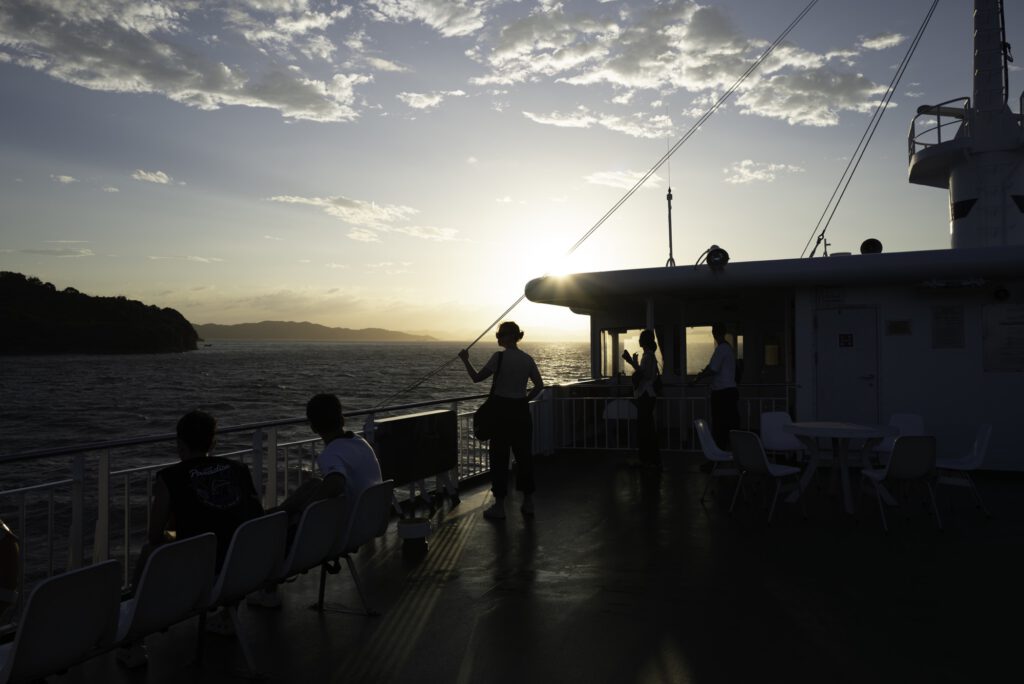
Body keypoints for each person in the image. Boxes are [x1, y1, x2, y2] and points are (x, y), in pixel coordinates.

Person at [122, 409, 263, 661]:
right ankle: (227, 617)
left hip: (199, 577)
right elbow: (254, 517)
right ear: (213, 442)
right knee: (231, 536)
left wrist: (173, 534)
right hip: (245, 567)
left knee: (150, 551)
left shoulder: (170, 478)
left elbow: (154, 534)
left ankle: (133, 638)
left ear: (180, 443)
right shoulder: (238, 469)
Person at [248, 393, 383, 609]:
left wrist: (305, 511)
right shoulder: (361, 443)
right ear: (342, 418)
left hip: (346, 532)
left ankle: (269, 592)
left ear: (312, 427)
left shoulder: (331, 454)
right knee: (314, 483)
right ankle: (280, 512)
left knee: (273, 532)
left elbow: (336, 483)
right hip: (368, 522)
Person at [458, 321, 544, 519]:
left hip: (501, 413)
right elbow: (539, 385)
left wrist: (465, 360)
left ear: (512, 336)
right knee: (524, 458)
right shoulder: (527, 359)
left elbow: (476, 378)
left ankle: (499, 507)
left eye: (501, 335)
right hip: (521, 413)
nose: (498, 338)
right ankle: (528, 503)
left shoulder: (499, 357)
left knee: (499, 458)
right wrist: (524, 400)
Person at [694, 324, 740, 451]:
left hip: (722, 394)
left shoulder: (721, 349)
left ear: (714, 333)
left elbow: (713, 369)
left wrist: (699, 377)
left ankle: (719, 453)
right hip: (729, 392)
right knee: (730, 425)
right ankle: (733, 453)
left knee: (720, 426)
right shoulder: (728, 349)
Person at [622, 329, 661, 470]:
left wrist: (631, 362)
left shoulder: (648, 356)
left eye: (641, 338)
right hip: (648, 395)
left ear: (645, 341)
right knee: (648, 428)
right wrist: (634, 362)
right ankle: (652, 460)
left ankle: (647, 460)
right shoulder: (650, 356)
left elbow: (645, 375)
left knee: (645, 429)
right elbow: (646, 373)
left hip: (646, 395)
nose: (639, 340)